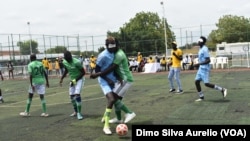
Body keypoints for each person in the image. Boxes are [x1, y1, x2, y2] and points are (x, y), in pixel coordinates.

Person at [90, 36, 134, 135]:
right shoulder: (102, 56)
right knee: (111, 99)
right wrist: (107, 79)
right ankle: (106, 126)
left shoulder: (115, 53)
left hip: (114, 80)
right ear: (106, 46)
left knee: (116, 100)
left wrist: (117, 77)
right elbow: (97, 70)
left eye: (114, 46)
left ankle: (108, 116)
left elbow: (114, 68)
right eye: (110, 47)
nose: (113, 48)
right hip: (104, 81)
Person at [193, 36, 227, 102]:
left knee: (206, 84)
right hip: (201, 68)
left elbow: (208, 60)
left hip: (205, 69)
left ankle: (222, 89)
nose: (198, 42)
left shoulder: (205, 49)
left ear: (202, 42)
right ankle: (201, 96)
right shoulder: (201, 49)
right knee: (196, 82)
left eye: (199, 41)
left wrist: (199, 64)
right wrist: (199, 65)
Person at [59, 51, 85, 120]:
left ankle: (79, 113)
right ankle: (76, 111)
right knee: (71, 96)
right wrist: (62, 78)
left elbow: (83, 72)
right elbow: (66, 70)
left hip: (79, 79)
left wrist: (75, 80)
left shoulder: (76, 62)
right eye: (66, 59)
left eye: (69, 58)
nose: (68, 60)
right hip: (72, 80)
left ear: (71, 56)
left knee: (77, 95)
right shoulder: (64, 62)